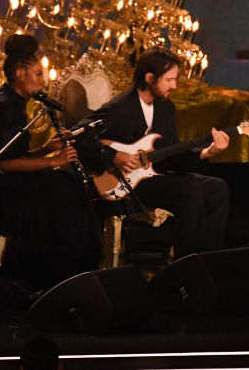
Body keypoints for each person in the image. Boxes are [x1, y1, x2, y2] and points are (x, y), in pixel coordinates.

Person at [0, 35, 102, 306]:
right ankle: (44, 280)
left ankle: (69, 277)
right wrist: (54, 160)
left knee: (69, 189)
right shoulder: (5, 106)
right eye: (37, 74)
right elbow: (2, 163)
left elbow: (16, 155)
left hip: (14, 178)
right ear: (19, 73)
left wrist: (45, 149)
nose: (43, 82)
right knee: (58, 195)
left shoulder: (15, 103)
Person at [78, 47, 231, 258]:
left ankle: (208, 258)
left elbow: (170, 156)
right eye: (169, 80)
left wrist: (206, 153)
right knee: (191, 188)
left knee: (217, 188)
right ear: (150, 78)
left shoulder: (166, 108)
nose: (174, 85)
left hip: (153, 174)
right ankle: (187, 263)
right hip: (125, 184)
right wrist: (114, 156)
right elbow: (78, 136)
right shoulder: (119, 107)